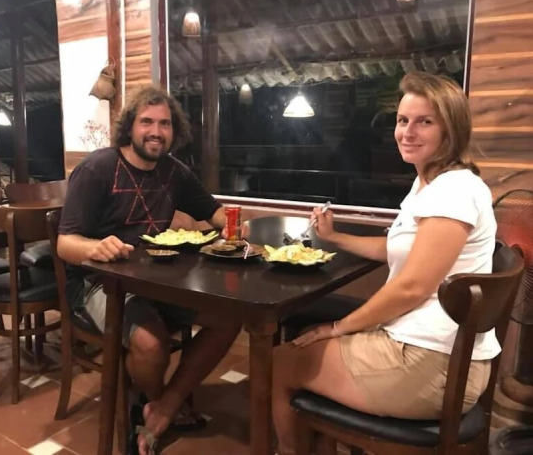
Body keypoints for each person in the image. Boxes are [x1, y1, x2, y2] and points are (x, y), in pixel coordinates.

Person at [271, 71, 497, 454]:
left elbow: (412, 287)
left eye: (425, 122)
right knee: (306, 339)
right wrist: (335, 237)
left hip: (434, 366)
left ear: (451, 129)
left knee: (280, 360)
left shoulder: (454, 190)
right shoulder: (431, 183)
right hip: (429, 349)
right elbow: (400, 250)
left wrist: (339, 328)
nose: (407, 132)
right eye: (403, 120)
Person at [57, 86, 241, 455]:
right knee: (151, 344)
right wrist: (95, 247)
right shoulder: (97, 168)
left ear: (174, 131)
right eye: (147, 122)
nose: (156, 131)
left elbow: (214, 211)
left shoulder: (174, 172)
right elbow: (64, 244)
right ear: (130, 127)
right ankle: (149, 401)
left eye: (164, 124)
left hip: (158, 280)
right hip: (99, 283)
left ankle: (163, 408)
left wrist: (233, 225)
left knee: (229, 317)